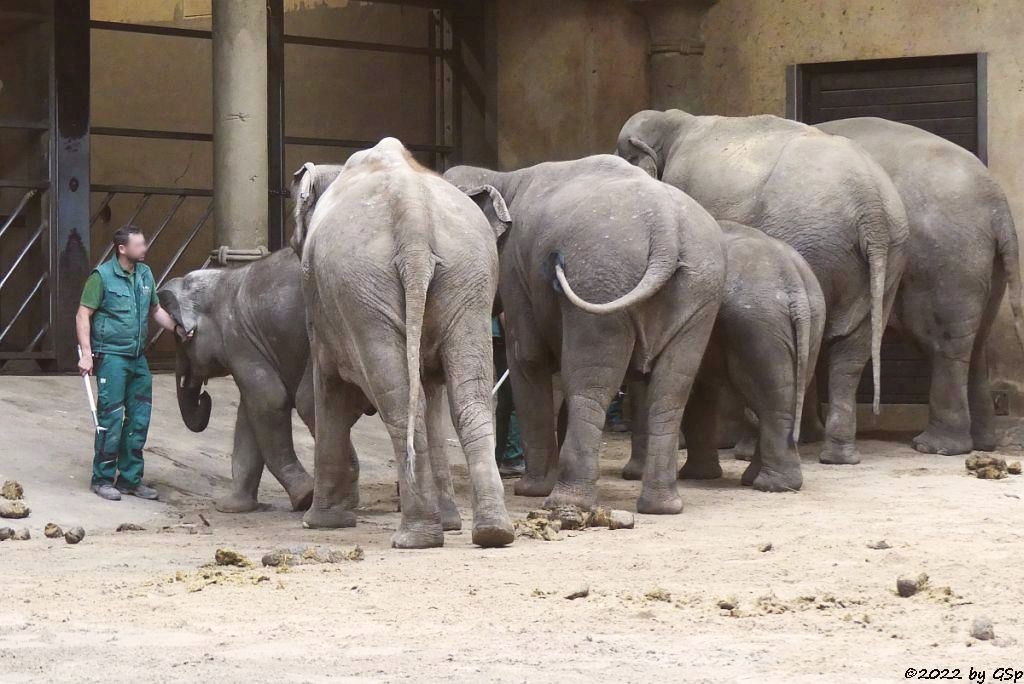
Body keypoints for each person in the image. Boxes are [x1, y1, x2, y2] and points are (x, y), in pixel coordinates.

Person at [75, 225, 187, 501]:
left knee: (139, 419)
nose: (144, 249)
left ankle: (130, 479)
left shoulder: (145, 274)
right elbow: (82, 315)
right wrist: (86, 354)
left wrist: (178, 329)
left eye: (143, 243)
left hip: (138, 359)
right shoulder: (101, 277)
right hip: (111, 357)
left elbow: (156, 310)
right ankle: (102, 479)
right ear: (122, 249)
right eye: (139, 245)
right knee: (110, 419)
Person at [492, 315, 524, 477]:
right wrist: (514, 337)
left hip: (499, 337)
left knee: (506, 400)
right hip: (506, 338)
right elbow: (505, 308)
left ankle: (501, 456)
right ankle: (512, 458)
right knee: (515, 400)